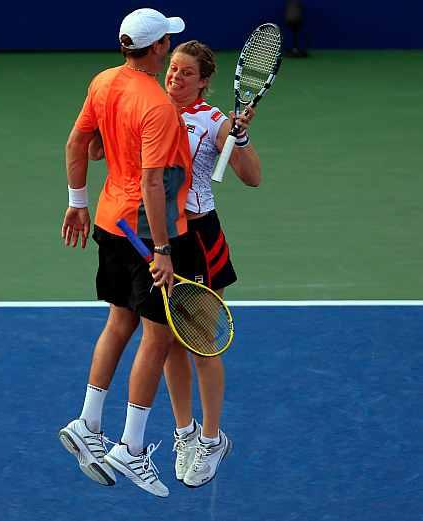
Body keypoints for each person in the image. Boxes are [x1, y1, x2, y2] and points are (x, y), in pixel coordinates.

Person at [58, 8, 192, 498]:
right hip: (143, 230)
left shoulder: (104, 81)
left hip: (111, 220)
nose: (169, 50)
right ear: (156, 48)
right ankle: (130, 448)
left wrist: (77, 202)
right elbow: (155, 181)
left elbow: (79, 141)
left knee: (120, 322)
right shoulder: (155, 104)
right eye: (167, 44)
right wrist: (162, 250)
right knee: (157, 337)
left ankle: (87, 422)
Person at [162, 41, 261, 488]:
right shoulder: (149, 108)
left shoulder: (213, 120)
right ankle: (183, 432)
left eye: (186, 73)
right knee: (164, 340)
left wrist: (239, 138)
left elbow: (252, 176)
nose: (175, 77)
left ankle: (212, 437)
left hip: (199, 240)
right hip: (159, 238)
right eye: (173, 69)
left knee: (200, 342)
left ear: (202, 81)